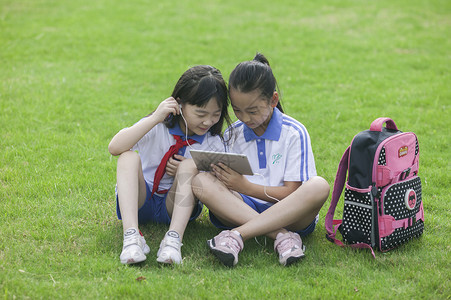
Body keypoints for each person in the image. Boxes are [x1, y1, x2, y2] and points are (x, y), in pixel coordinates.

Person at [191, 54, 330, 267]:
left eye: (252, 111)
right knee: (200, 182)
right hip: (240, 208)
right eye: (237, 110)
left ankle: (237, 235)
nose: (245, 118)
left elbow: (293, 192)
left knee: (319, 186)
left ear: (273, 100)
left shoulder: (294, 132)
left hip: (290, 213)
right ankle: (283, 238)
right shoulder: (233, 133)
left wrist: (244, 185)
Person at [108, 65, 231, 265]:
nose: (208, 121)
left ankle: (173, 241)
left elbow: (219, 185)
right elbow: (115, 147)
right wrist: (155, 117)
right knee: (127, 157)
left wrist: (189, 170)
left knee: (190, 166)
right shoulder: (158, 126)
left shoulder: (214, 142)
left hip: (176, 206)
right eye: (200, 114)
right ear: (179, 104)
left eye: (215, 114)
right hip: (141, 200)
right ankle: (131, 237)